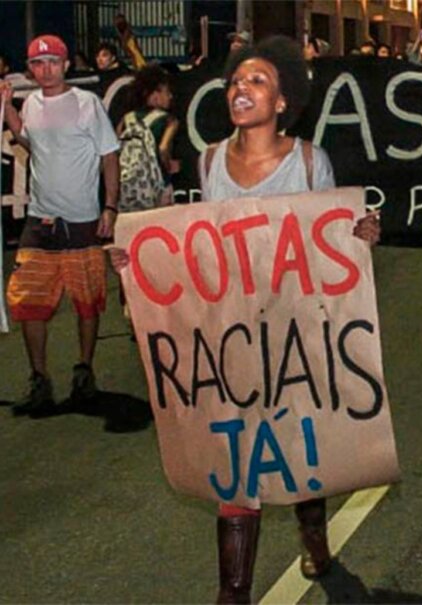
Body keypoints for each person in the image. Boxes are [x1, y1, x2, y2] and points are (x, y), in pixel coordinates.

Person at [110, 35, 379, 603]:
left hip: (296, 335)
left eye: (257, 82)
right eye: (236, 81)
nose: (241, 90)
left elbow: (330, 243)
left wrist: (358, 236)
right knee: (239, 462)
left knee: (303, 452)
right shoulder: (209, 162)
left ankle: (314, 536)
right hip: (232, 339)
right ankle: (233, 592)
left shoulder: (310, 161)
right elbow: (199, 250)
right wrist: (139, 258)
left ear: (282, 101)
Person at [0, 34, 120, 416]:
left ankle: (84, 370)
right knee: (28, 301)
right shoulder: (31, 102)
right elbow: (29, 141)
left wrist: (110, 206)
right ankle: (40, 378)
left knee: (87, 302)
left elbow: (109, 156)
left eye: (53, 62)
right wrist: (7, 111)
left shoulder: (87, 105)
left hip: (82, 219)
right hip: (41, 219)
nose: (45, 69)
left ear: (66, 65)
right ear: (30, 69)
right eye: (37, 63)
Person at [117, 64, 180, 212]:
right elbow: (163, 148)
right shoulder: (169, 120)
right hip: (157, 187)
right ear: (155, 94)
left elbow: (115, 149)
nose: (170, 96)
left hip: (128, 189)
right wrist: (169, 165)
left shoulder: (126, 118)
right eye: (167, 91)